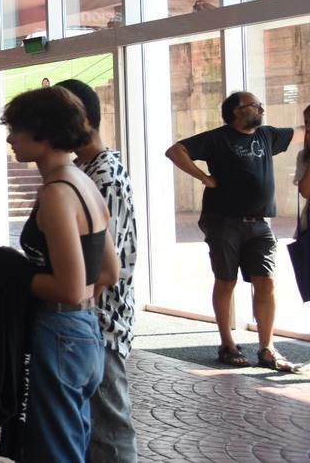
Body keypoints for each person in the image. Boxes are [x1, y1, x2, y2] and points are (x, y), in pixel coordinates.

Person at [1, 87, 119, 462]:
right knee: (72, 440)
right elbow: (109, 271)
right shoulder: (84, 181)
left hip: (61, 331)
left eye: (16, 129)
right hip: (84, 331)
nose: (9, 138)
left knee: (55, 451)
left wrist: (10, 274)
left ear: (43, 133)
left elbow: (68, 288)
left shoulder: (57, 193)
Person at [165, 91, 297, 372]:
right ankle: (228, 344)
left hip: (260, 223)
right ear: (237, 111)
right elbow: (175, 151)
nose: (261, 108)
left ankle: (267, 347)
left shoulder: (267, 135)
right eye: (254, 105)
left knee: (267, 282)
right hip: (223, 221)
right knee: (226, 281)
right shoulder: (217, 138)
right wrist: (204, 178)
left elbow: (300, 134)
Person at [56, 79, 139, 462]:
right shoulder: (85, 169)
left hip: (102, 320)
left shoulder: (101, 175)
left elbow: (106, 266)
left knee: (109, 427)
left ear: (83, 119)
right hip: (93, 317)